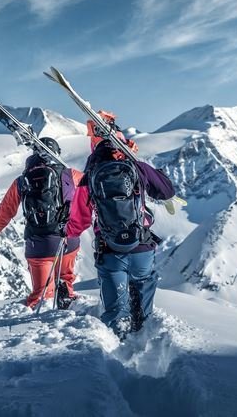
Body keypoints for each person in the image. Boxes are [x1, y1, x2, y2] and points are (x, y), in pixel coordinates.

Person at [67, 125, 175, 339]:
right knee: (142, 302)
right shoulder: (137, 167)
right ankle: (143, 339)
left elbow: (79, 219)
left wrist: (68, 233)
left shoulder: (90, 176)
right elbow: (167, 191)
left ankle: (117, 353)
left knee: (116, 312)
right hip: (141, 247)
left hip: (110, 251)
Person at [0, 137, 82, 310]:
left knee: (41, 295)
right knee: (65, 277)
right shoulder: (71, 175)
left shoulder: (22, 181)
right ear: (57, 153)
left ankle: (44, 327)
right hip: (69, 240)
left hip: (39, 245)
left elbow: (6, 211)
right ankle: (67, 300)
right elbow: (92, 196)